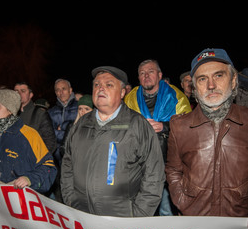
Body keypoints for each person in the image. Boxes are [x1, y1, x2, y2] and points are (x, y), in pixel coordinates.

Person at [61, 66, 165, 217]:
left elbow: (154, 174)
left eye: (109, 85)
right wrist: (71, 200)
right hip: (81, 217)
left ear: (122, 92)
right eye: (96, 85)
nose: (101, 88)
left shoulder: (137, 125)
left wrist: (138, 215)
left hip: (122, 221)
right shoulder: (81, 124)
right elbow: (67, 165)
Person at [166, 48, 248, 216]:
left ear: (233, 81)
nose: (211, 85)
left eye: (218, 75)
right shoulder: (179, 125)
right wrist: (183, 202)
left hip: (239, 223)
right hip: (194, 222)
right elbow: (173, 170)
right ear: (194, 88)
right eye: (202, 79)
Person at [124, 59, 192, 216]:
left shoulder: (175, 95)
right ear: (138, 78)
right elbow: (123, 127)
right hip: (139, 164)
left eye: (150, 72)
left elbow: (188, 126)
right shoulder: (130, 98)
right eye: (142, 73)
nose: (146, 76)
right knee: (143, 210)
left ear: (160, 75)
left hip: (169, 163)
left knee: (167, 210)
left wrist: (164, 126)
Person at [0, 89, 57, 193]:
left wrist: (29, 179)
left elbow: (48, 166)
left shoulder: (29, 134)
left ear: (10, 109)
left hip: (23, 199)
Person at [14, 82, 56, 154]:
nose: (19, 94)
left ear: (31, 95)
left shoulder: (40, 114)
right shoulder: (10, 114)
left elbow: (50, 143)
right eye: (16, 91)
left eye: (23, 91)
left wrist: (36, 159)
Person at [48, 79, 78, 164]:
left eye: (64, 89)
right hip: (58, 159)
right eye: (57, 90)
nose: (61, 92)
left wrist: (62, 128)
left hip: (77, 154)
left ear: (70, 90)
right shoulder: (51, 112)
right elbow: (49, 134)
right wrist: (67, 131)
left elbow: (78, 131)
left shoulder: (80, 108)